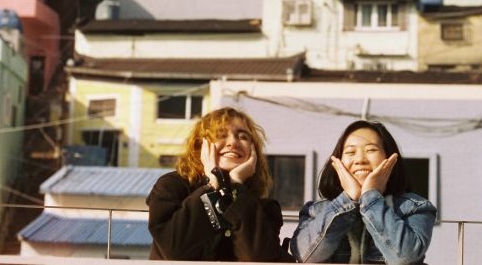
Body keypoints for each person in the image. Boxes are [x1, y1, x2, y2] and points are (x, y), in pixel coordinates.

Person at [146, 106, 292, 261]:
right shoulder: (172, 187)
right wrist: (212, 186)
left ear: (253, 150)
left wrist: (236, 186)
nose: (233, 143)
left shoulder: (264, 208)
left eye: (242, 137)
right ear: (200, 146)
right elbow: (175, 250)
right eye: (221, 135)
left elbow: (259, 259)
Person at [290, 120, 436, 264]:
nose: (360, 160)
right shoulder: (316, 210)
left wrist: (371, 198)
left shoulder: (415, 207)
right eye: (350, 152)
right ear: (337, 163)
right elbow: (305, 256)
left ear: (390, 158)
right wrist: (348, 199)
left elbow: (405, 257)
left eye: (371, 150)